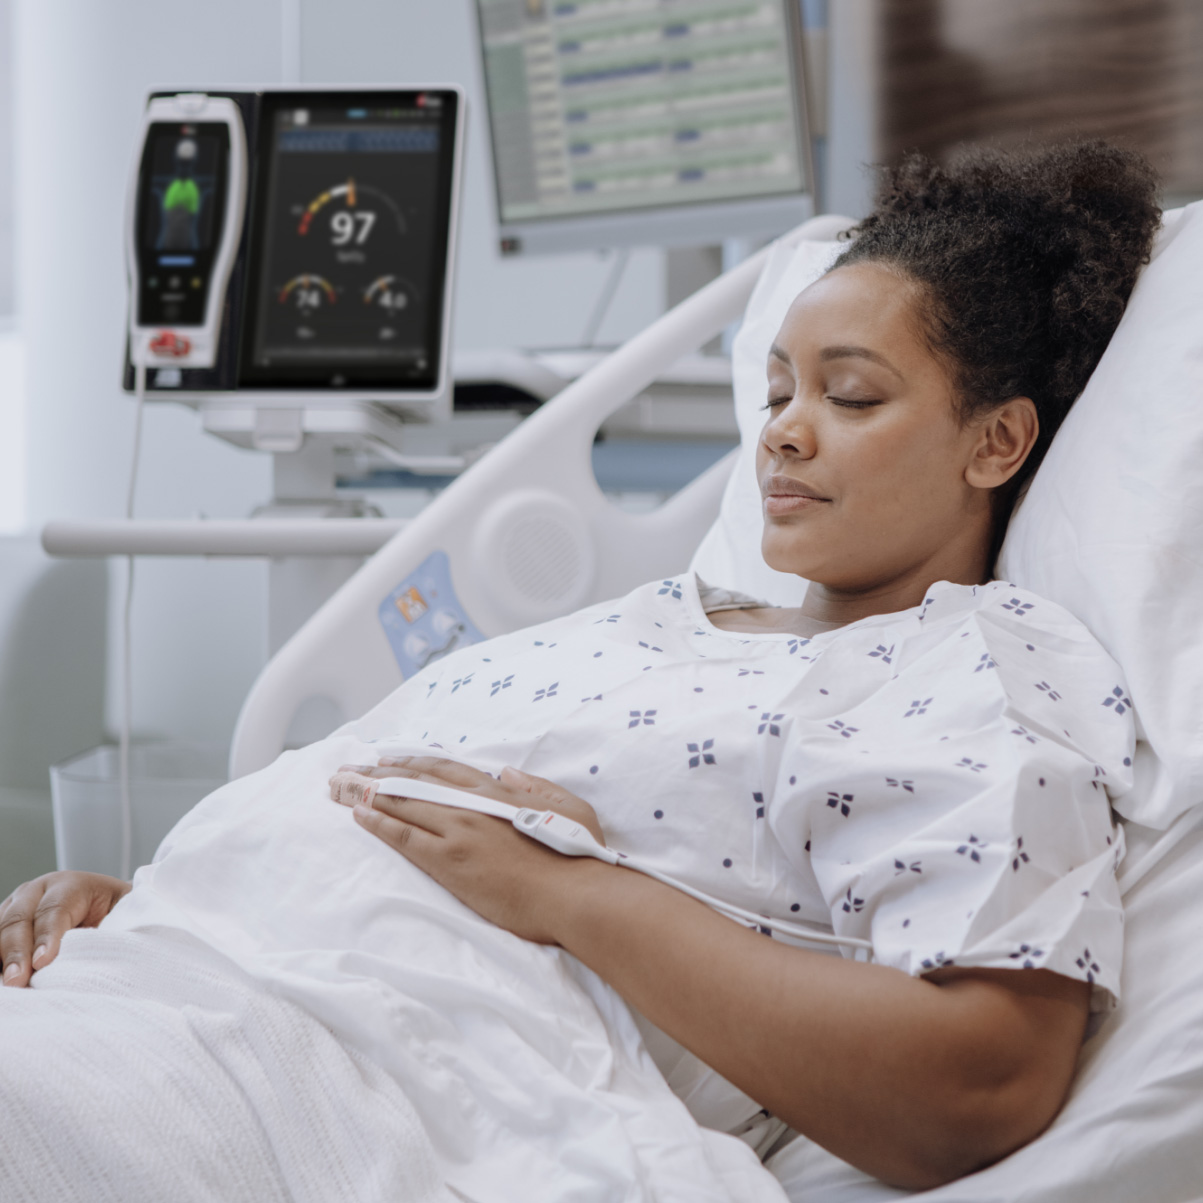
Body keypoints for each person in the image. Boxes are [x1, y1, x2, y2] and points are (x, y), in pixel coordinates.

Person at [0, 141, 1160, 1196]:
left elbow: (980, 1084)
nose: (785, 434)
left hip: (327, 1077)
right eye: (776, 392)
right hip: (157, 987)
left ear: (996, 441)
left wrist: (568, 894)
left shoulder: (966, 675)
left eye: (849, 395)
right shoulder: (670, 618)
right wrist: (147, 907)